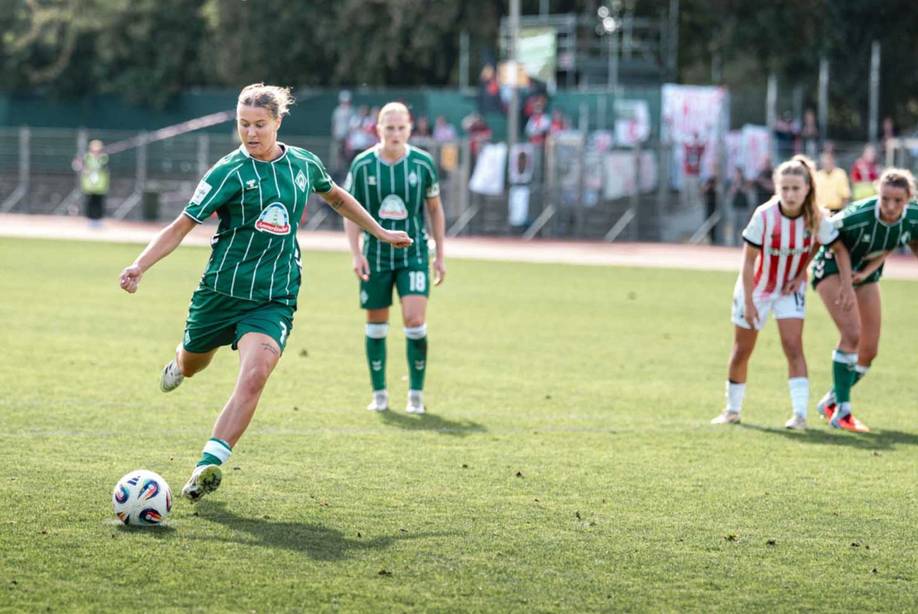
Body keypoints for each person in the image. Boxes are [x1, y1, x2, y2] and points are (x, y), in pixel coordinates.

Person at [118, 84, 412, 502]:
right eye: (243, 124)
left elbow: (337, 198)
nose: (251, 133)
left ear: (277, 121)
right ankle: (180, 362)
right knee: (193, 364)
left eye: (259, 124)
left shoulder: (303, 164)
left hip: (274, 296)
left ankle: (207, 464)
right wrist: (140, 265)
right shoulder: (228, 172)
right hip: (221, 293)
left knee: (255, 375)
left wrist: (378, 232)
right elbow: (182, 225)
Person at [711, 156, 849, 430]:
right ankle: (732, 410)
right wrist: (749, 302)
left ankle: (799, 416)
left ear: (807, 188)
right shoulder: (764, 215)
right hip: (756, 289)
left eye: (796, 188)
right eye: (784, 188)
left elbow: (838, 249)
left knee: (794, 347)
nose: (790, 194)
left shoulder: (816, 217)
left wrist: (842, 283)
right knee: (742, 350)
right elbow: (748, 261)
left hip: (789, 291)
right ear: (777, 188)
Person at [343, 102, 447, 414]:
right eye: (390, 128)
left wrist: (440, 255)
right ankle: (380, 394)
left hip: (413, 254)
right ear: (378, 129)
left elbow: (435, 210)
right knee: (376, 325)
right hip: (375, 256)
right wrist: (356, 253)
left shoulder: (423, 163)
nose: (395, 133)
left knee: (414, 321)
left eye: (401, 128)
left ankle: (415, 395)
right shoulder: (362, 165)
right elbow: (349, 211)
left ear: (410, 129)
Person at [811, 168, 918, 431]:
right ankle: (843, 412)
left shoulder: (914, 217)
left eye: (898, 200)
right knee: (852, 335)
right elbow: (822, 234)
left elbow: (901, 241)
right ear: (877, 193)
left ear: (909, 199)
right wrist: (799, 273)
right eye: (885, 199)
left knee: (868, 351)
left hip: (865, 274)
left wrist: (867, 272)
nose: (890, 206)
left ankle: (831, 400)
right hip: (831, 268)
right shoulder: (856, 216)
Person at [72, 139, 109, 226]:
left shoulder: (103, 157)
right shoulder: (86, 157)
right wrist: (83, 168)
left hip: (100, 185)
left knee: (99, 203)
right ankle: (90, 220)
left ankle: (99, 220)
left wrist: (97, 158)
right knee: (89, 203)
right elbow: (77, 165)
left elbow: (102, 166)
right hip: (89, 185)